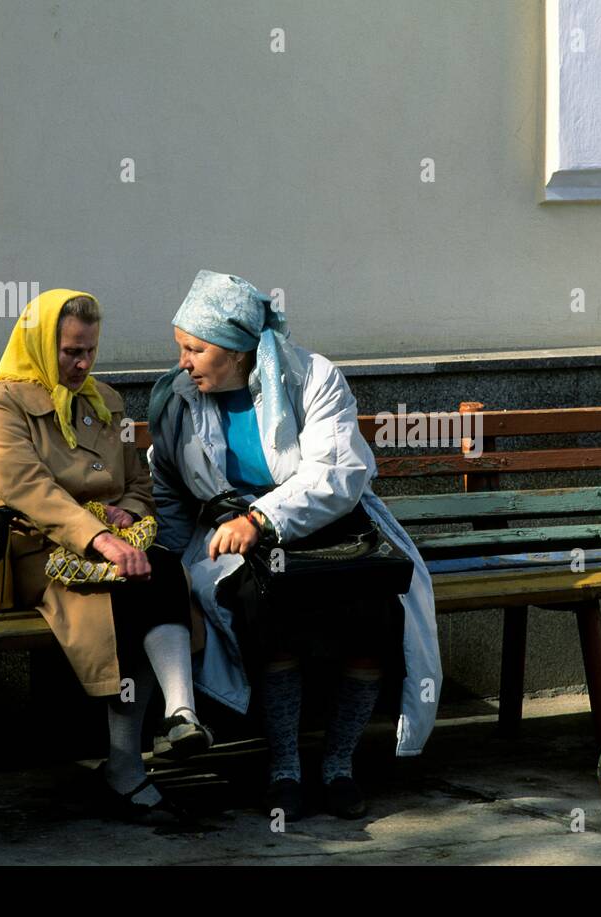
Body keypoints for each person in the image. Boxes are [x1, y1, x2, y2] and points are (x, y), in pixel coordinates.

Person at [147, 271, 441, 820]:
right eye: (180, 347)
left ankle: (339, 767)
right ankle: (284, 768)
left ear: (237, 351)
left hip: (333, 533)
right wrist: (170, 566)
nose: (183, 361)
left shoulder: (312, 378)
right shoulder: (178, 398)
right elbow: (167, 485)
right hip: (235, 542)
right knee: (265, 612)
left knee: (373, 614)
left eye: (196, 349)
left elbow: (336, 474)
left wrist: (261, 517)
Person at [0, 288, 213, 821]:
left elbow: (137, 479)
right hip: (39, 553)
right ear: (39, 344)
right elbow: (25, 487)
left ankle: (180, 715)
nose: (81, 363)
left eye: (88, 351)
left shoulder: (105, 401)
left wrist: (127, 510)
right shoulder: (1, 404)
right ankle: (126, 769)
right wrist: (98, 536)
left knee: (159, 569)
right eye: (69, 352)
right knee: (124, 593)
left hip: (112, 547)